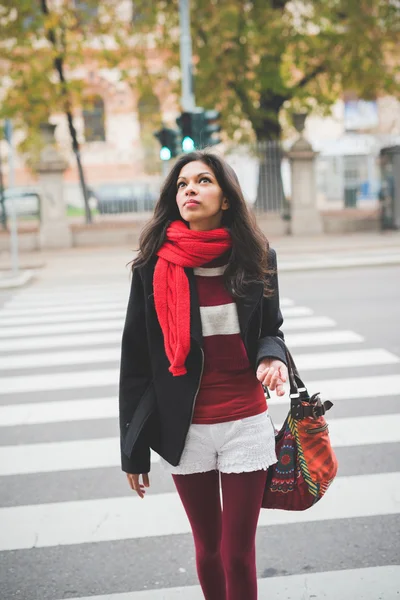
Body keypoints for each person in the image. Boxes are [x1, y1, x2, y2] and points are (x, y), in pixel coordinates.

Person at [119, 150, 288, 600]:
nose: (189, 189)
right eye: (182, 184)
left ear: (226, 198)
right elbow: (135, 363)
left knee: (237, 552)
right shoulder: (152, 267)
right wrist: (132, 452)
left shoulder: (256, 258)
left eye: (203, 181)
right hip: (185, 427)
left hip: (245, 422)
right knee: (208, 548)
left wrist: (272, 359)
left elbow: (271, 330)